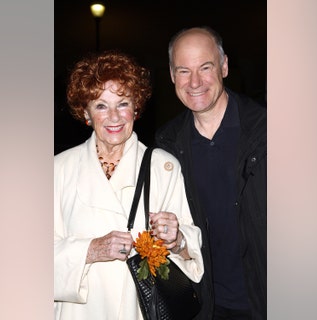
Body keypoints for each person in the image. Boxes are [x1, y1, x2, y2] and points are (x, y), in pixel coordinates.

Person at [54, 51, 204, 319]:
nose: (114, 117)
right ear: (86, 113)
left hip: (140, 310)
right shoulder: (58, 169)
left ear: (136, 108)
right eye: (101, 105)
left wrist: (177, 238)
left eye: (122, 104)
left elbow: (190, 249)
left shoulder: (163, 167)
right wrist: (90, 250)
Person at [155, 27, 267, 319]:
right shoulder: (166, 146)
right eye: (183, 71)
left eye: (205, 67)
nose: (195, 82)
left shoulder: (269, 130)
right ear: (171, 75)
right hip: (205, 307)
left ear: (225, 66)